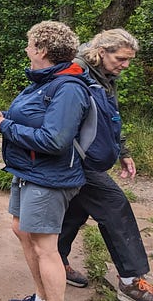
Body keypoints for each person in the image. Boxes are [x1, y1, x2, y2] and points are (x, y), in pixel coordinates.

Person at [0, 21, 90, 301]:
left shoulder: (68, 88)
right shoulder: (43, 81)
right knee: (22, 230)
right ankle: (40, 297)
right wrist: (4, 116)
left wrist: (3, 127)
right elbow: (34, 119)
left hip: (50, 177)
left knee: (45, 247)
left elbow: (54, 140)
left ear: (42, 50)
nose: (26, 48)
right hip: (30, 171)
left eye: (30, 44)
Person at [56, 29, 152, 301]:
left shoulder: (105, 76)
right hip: (75, 160)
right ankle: (130, 281)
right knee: (114, 205)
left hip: (87, 158)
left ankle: (56, 260)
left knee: (75, 211)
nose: (126, 65)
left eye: (129, 60)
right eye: (121, 59)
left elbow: (112, 117)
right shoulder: (77, 73)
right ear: (101, 52)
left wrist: (123, 150)